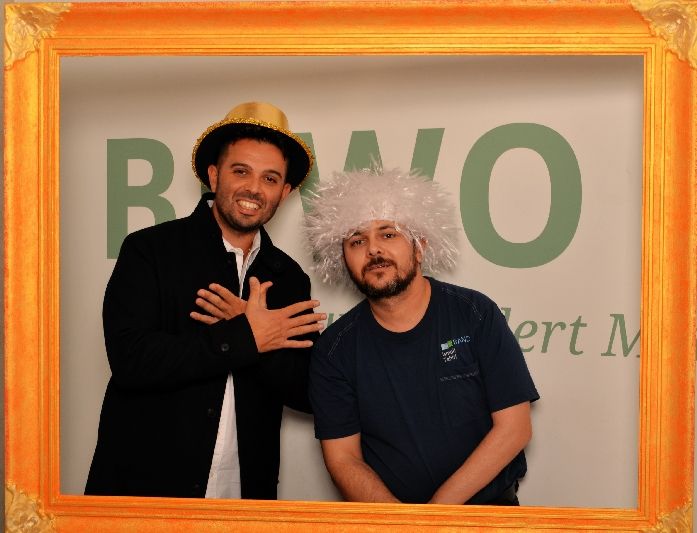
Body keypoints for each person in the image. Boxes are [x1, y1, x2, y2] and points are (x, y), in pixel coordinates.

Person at [86, 102, 325, 500]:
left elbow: (307, 391)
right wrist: (246, 336)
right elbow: (131, 360)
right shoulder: (150, 250)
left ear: (284, 192)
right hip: (144, 493)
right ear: (214, 175)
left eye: (270, 178)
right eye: (241, 171)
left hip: (244, 496)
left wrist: (255, 339)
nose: (254, 189)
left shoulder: (289, 278)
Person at [305, 168, 539, 505]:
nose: (373, 250)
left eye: (388, 234)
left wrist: (434, 516)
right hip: (391, 524)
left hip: (491, 516)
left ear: (420, 247)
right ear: (343, 259)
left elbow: (515, 428)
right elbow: (343, 459)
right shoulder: (334, 350)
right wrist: (403, 524)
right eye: (357, 241)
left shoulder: (475, 314)